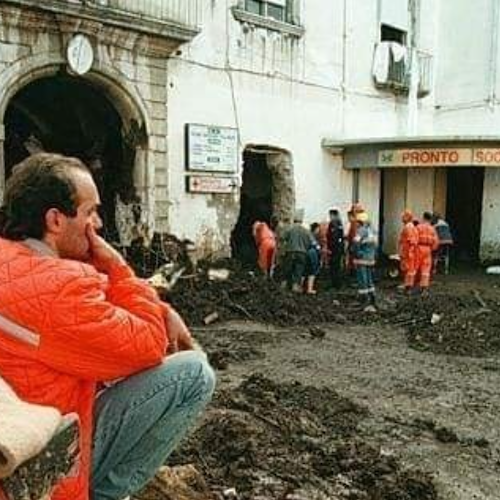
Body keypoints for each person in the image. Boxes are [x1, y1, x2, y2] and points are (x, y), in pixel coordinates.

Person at [0, 153, 216, 500]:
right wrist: (118, 266)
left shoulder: (14, 264)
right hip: (44, 466)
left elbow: (84, 312)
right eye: (90, 212)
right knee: (193, 375)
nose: (98, 224)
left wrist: (159, 308)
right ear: (56, 219)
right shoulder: (62, 287)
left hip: (17, 431)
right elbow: (149, 345)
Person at [282, 210, 312, 293]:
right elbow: (310, 242)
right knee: (298, 270)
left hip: (290, 251)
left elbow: (284, 238)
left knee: (287, 269)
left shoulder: (290, 229)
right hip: (302, 253)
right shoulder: (306, 231)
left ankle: (284, 285)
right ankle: (295, 286)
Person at [352, 211, 377, 307]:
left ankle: (363, 299)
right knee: (369, 278)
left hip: (362, 259)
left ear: (360, 222)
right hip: (370, 259)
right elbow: (375, 245)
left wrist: (356, 253)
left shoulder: (361, 230)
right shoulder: (372, 230)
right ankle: (372, 297)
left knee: (362, 279)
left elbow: (356, 242)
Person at [415, 211, 439, 294]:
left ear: (423, 217)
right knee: (426, 269)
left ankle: (412, 286)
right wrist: (431, 249)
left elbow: (414, 239)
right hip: (428, 250)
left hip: (418, 248)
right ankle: (424, 289)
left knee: (415, 267)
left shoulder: (418, 227)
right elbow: (436, 242)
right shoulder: (432, 229)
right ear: (430, 219)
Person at [398, 209, 418, 293]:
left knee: (408, 269)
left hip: (407, 251)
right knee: (408, 269)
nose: (402, 218)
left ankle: (408, 286)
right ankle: (407, 285)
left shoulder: (408, 227)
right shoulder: (410, 226)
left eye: (403, 216)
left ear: (407, 217)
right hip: (407, 251)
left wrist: (409, 251)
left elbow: (411, 241)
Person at [326, 208, 345, 289]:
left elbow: (333, 237)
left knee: (334, 266)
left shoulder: (333, 223)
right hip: (339, 248)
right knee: (337, 266)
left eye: (330, 215)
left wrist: (330, 248)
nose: (329, 217)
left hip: (335, 249)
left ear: (333, 215)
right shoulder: (340, 223)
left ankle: (335, 284)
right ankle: (337, 283)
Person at [304, 223, 322, 294]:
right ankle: (310, 289)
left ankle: (301, 287)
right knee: (312, 271)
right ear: (316, 229)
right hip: (313, 254)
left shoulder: (307, 235)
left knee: (305, 271)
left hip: (306, 253)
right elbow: (316, 247)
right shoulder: (312, 237)